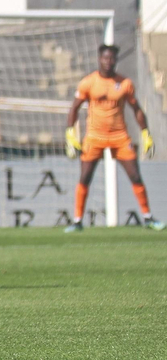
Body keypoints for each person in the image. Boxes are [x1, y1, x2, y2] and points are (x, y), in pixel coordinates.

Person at [63, 44, 161, 231]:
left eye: (112, 58)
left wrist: (145, 133)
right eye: (105, 58)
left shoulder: (125, 83)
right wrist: (70, 134)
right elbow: (74, 108)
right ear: (99, 59)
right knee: (85, 177)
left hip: (119, 137)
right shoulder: (88, 82)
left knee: (135, 175)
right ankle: (77, 221)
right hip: (94, 137)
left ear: (116, 60)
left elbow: (137, 109)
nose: (109, 62)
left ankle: (148, 217)